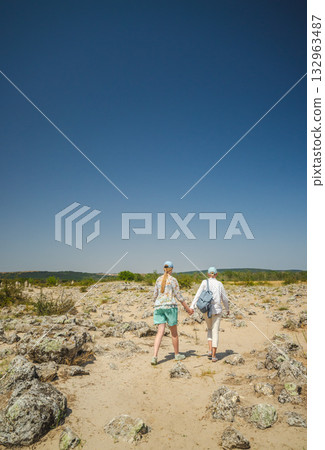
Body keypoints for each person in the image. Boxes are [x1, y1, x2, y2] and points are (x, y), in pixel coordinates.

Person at [151, 261, 193, 365]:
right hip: (170, 307)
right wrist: (188, 309)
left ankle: (154, 356)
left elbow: (154, 295)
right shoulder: (173, 280)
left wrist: (158, 303)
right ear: (172, 269)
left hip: (158, 307)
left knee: (160, 332)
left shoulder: (158, 279)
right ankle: (177, 354)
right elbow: (179, 297)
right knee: (174, 333)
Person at [190, 267, 229, 362]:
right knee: (215, 331)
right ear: (216, 274)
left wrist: (192, 306)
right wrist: (227, 309)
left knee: (209, 329)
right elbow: (224, 299)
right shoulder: (220, 284)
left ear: (208, 274)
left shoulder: (204, 282)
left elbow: (198, 295)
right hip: (217, 310)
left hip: (206, 309)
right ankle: (214, 355)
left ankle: (210, 350)